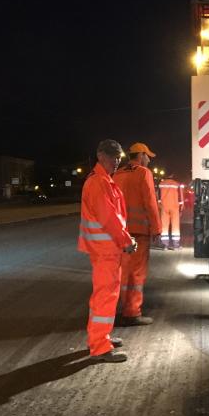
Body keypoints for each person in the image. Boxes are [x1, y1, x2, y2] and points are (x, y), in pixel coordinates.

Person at [78, 139, 136, 363]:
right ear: (101, 156)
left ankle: (101, 337)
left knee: (106, 296)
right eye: (113, 157)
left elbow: (115, 218)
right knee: (105, 296)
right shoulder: (98, 183)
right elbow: (109, 218)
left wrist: (124, 239)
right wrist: (126, 241)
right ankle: (100, 347)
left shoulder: (104, 181)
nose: (117, 162)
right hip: (105, 250)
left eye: (119, 158)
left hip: (107, 249)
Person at [113, 142, 161, 325]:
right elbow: (150, 202)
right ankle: (132, 312)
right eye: (147, 156)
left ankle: (123, 307)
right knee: (136, 273)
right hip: (139, 233)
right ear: (140, 155)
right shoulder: (143, 173)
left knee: (123, 273)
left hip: (120, 233)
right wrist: (156, 228)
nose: (148, 160)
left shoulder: (118, 174)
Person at [158, 173, 183, 249]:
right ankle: (176, 245)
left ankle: (165, 245)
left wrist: (159, 207)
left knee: (164, 226)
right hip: (174, 207)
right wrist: (181, 208)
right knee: (175, 226)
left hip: (164, 207)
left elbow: (158, 198)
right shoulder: (176, 184)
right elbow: (180, 198)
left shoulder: (161, 184)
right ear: (172, 176)